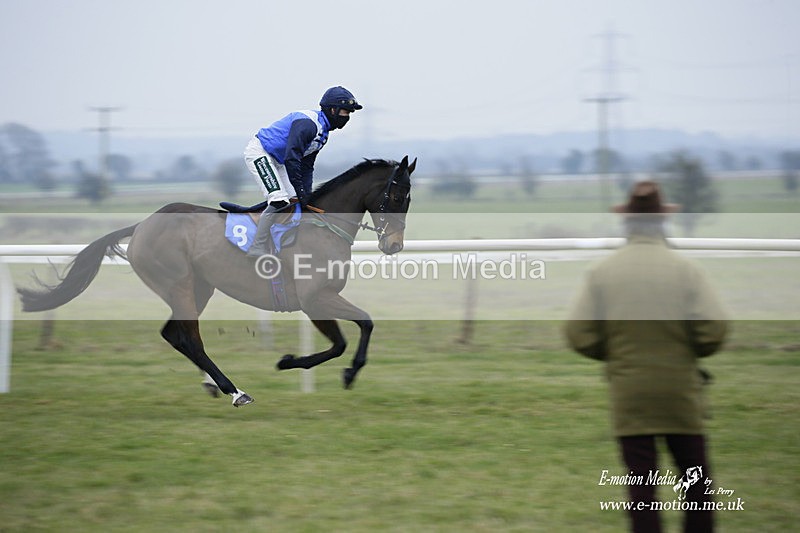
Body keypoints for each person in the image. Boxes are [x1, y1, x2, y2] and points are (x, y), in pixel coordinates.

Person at [564, 181, 729, 533]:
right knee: (696, 483)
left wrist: (616, 353)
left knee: (642, 487)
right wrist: (690, 349)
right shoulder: (686, 269)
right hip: (681, 394)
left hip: (630, 395)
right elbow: (714, 330)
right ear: (662, 220)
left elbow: (578, 334)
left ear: (627, 221)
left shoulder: (602, 272)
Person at [244, 86, 362, 257]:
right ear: (333, 110)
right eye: (346, 111)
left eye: (350, 113)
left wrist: (306, 194)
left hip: (280, 160)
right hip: (261, 153)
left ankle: (281, 244)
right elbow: (292, 159)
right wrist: (301, 191)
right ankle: (257, 246)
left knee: (295, 202)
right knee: (279, 200)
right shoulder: (308, 125)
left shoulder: (323, 134)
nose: (347, 116)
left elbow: (306, 166)